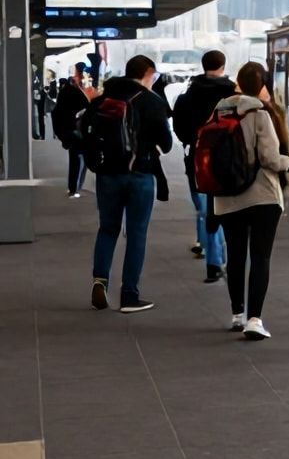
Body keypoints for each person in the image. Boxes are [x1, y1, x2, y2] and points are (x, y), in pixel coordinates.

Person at [210, 62, 289, 339]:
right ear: (262, 85)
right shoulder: (258, 112)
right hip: (261, 196)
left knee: (235, 256)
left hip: (226, 197)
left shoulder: (219, 110)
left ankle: (236, 314)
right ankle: (254, 320)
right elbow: (270, 158)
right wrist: (286, 162)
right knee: (260, 257)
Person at [88, 55, 174, 313]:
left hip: (107, 176)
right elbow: (167, 144)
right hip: (140, 176)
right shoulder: (152, 101)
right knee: (136, 234)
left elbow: (86, 133)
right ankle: (129, 295)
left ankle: (100, 281)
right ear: (148, 73)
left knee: (107, 229)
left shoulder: (103, 100)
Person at [172, 50, 234, 283]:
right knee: (228, 211)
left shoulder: (187, 96)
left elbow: (179, 130)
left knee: (206, 210)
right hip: (229, 161)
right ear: (223, 65)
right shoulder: (233, 95)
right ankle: (224, 259)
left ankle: (213, 261)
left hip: (198, 160)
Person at [51, 69, 93, 198]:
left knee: (77, 159)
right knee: (79, 159)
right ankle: (75, 187)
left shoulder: (68, 92)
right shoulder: (74, 93)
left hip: (73, 130)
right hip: (77, 130)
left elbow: (56, 112)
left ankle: (75, 187)